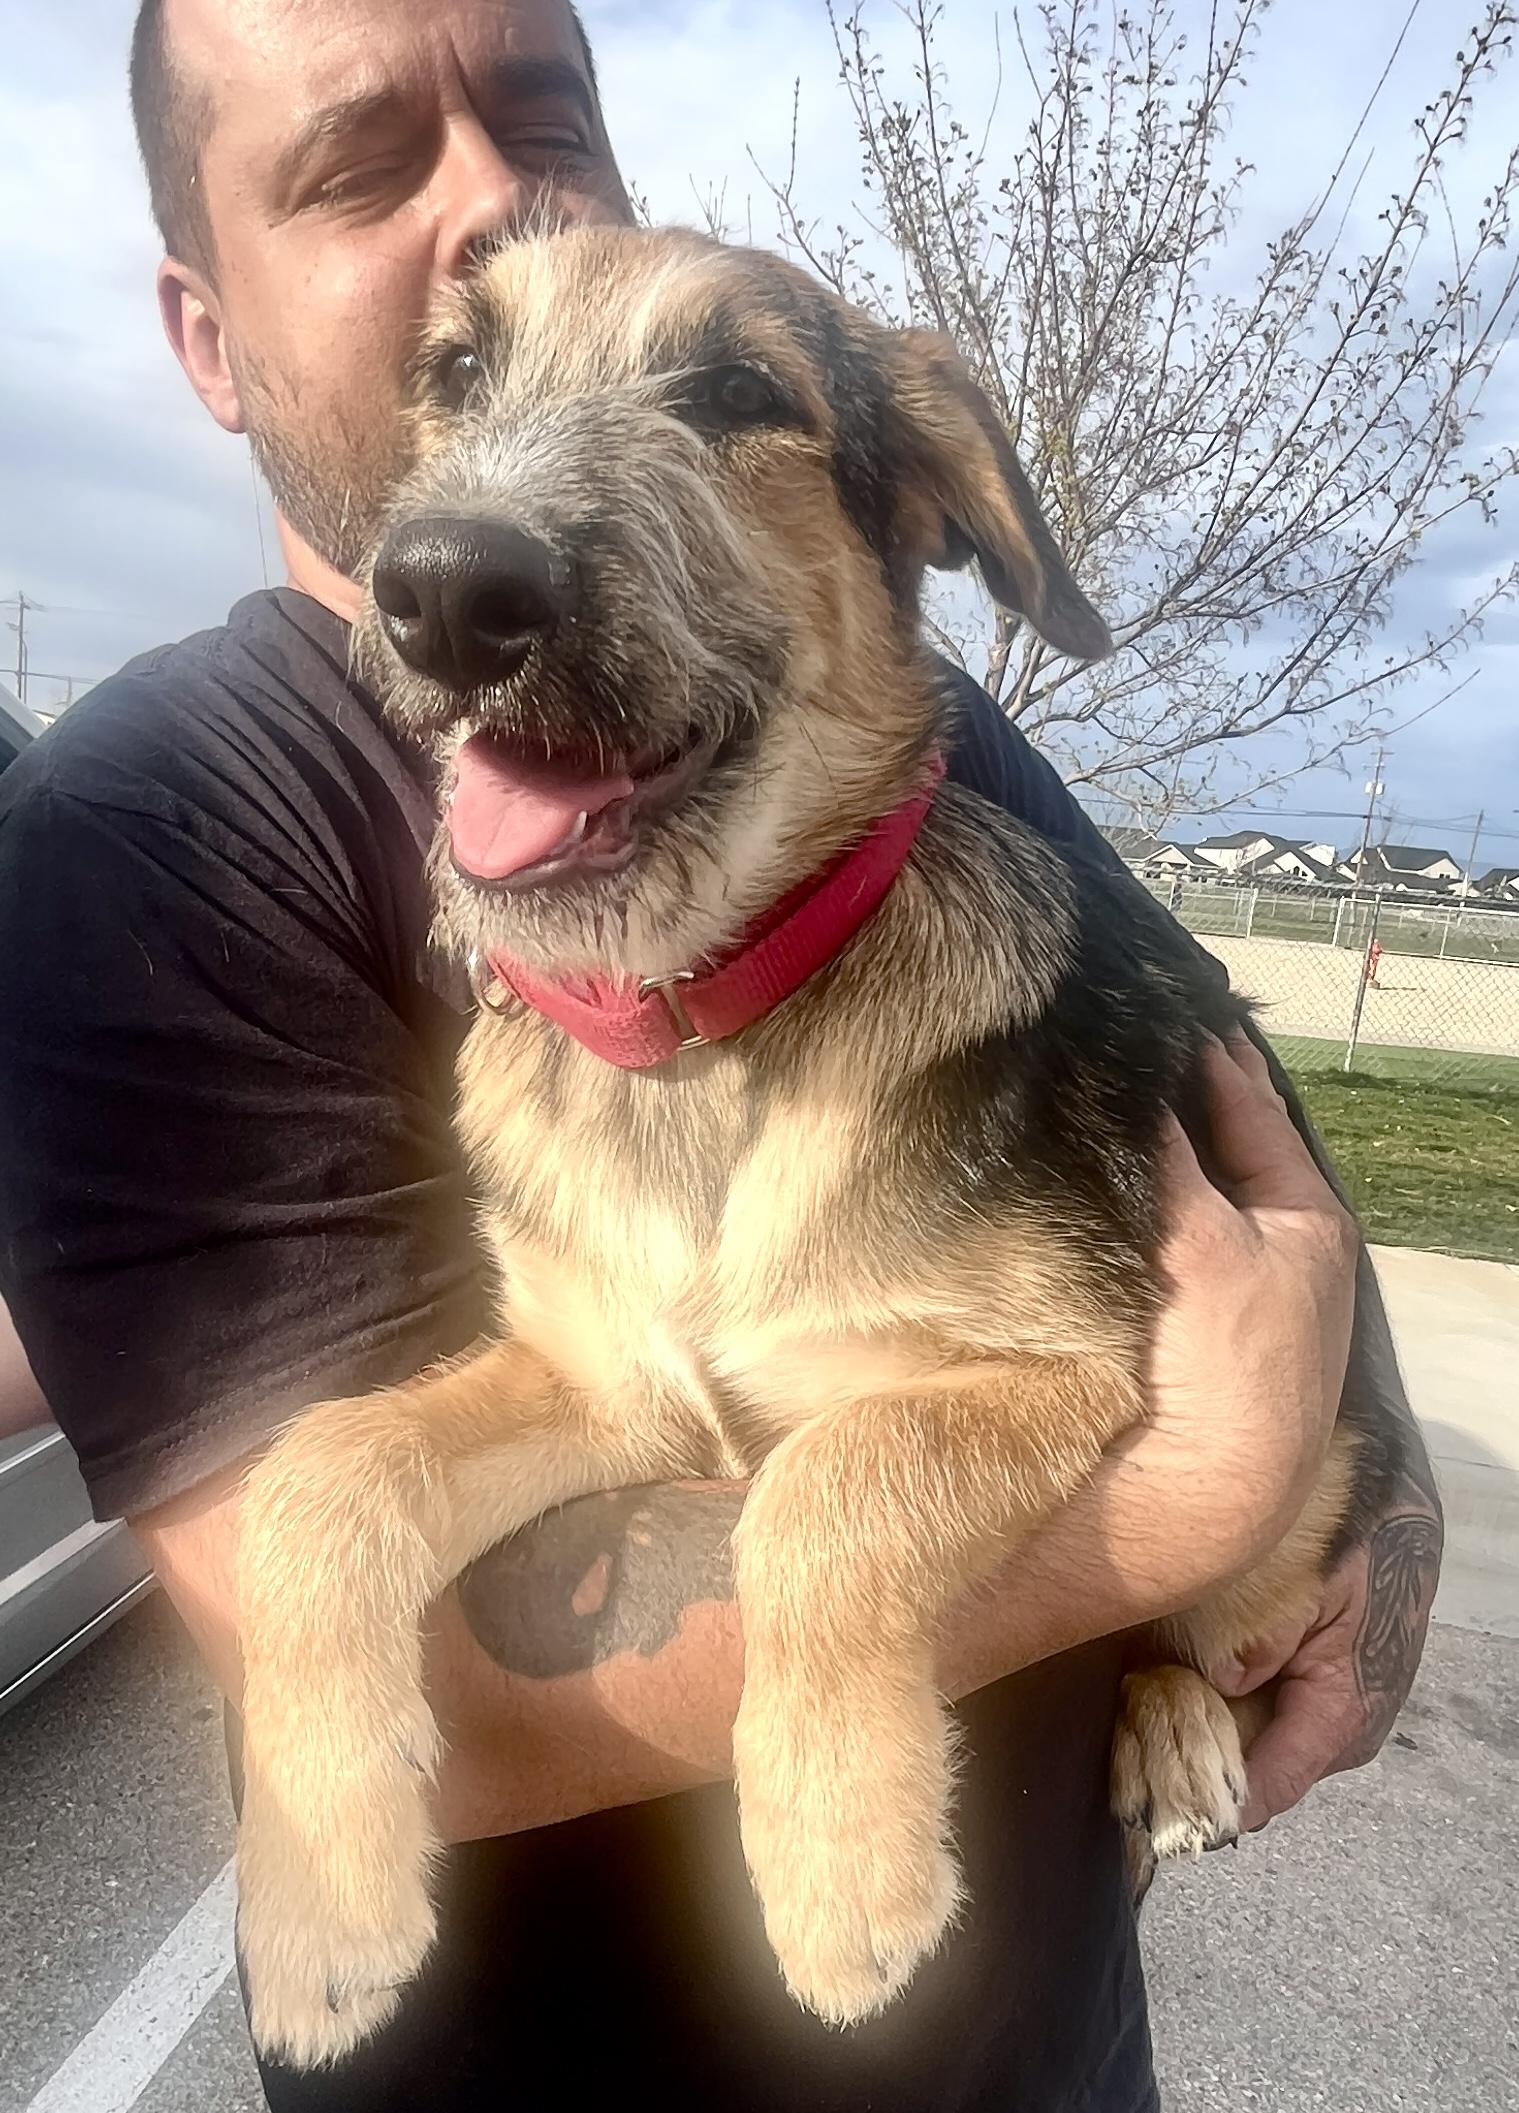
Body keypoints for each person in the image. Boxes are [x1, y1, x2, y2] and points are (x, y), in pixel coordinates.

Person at [0, 2, 1443, 2107]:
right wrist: (1175, 1500)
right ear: (207, 336)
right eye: (356, 163)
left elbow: (1267, 1227)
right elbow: (490, 1645)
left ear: (916, 541)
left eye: (545, 119)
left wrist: (1339, 1562)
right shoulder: (151, 837)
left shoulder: (940, 781)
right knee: (334, 1499)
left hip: (1043, 2055)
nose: (497, 197)